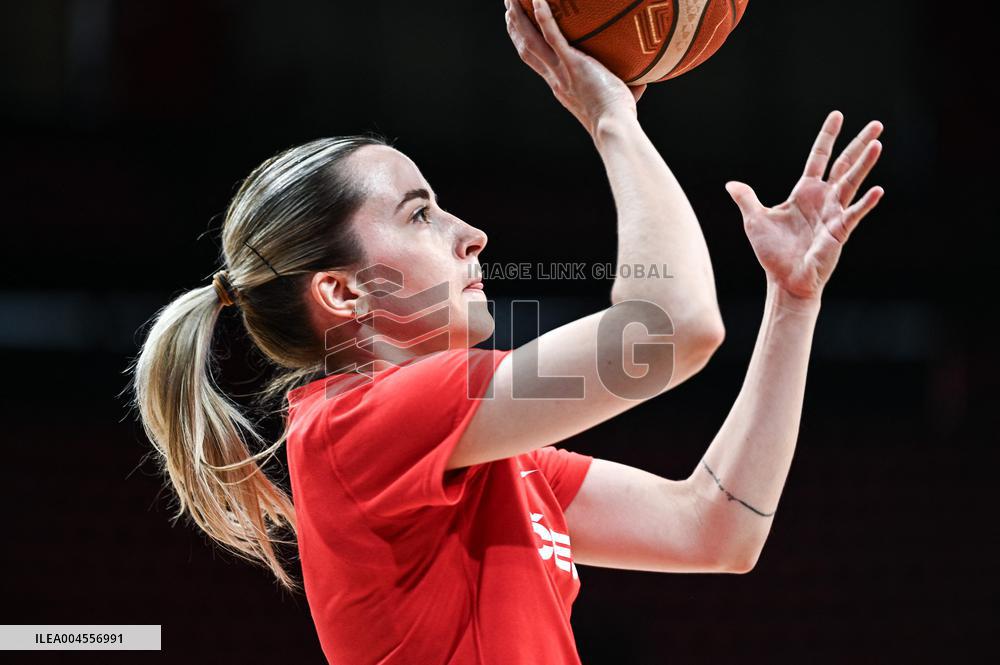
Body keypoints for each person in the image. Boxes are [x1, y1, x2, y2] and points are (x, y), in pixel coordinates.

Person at [129, 0, 884, 662]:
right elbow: (671, 330)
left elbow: (716, 530)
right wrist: (612, 119)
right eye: (419, 215)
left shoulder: (483, 455)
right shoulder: (352, 428)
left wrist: (792, 303)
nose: (472, 234)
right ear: (342, 291)